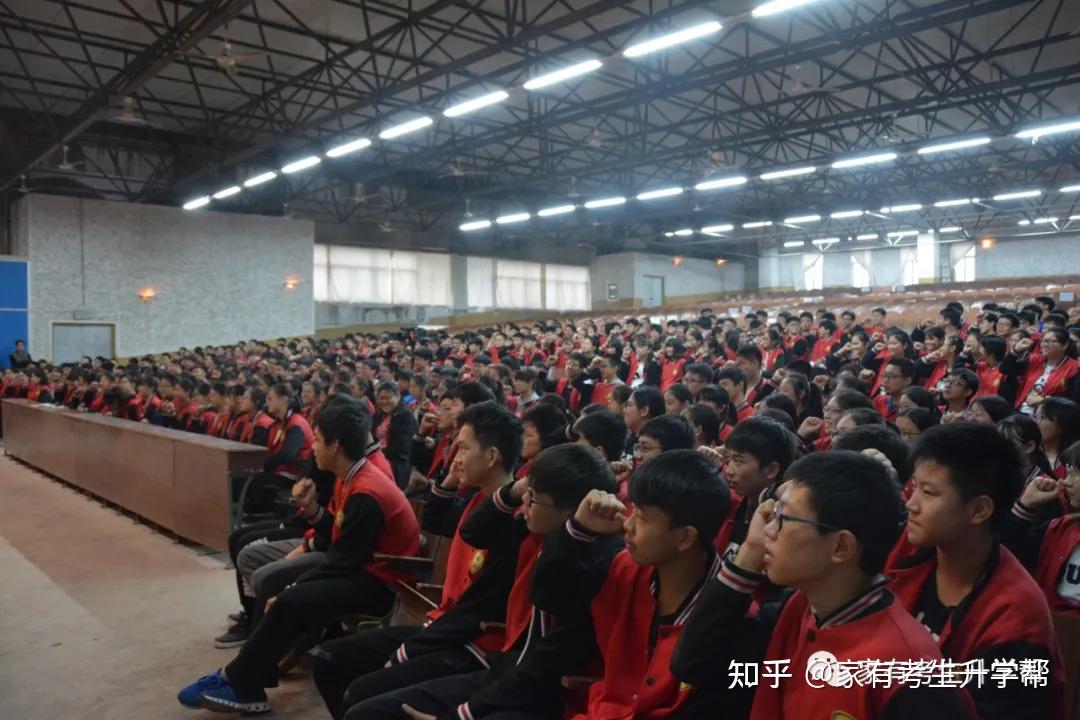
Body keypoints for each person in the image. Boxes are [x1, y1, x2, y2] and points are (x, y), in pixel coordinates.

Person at [674, 451, 975, 719]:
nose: (767, 530)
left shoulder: (908, 672)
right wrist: (750, 554)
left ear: (841, 547)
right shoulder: (800, 609)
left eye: (782, 518)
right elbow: (694, 664)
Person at [177, 394, 421, 714]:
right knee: (286, 592)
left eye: (317, 439)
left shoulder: (368, 490)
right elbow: (339, 538)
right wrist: (313, 510)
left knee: (289, 597)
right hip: (361, 570)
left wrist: (295, 587)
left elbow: (342, 560)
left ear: (335, 445)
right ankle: (245, 679)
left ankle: (242, 683)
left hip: (382, 584)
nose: (313, 447)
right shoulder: (350, 477)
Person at [342, 443, 621, 720]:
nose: (456, 458)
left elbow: (544, 633)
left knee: (369, 708)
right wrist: (517, 490)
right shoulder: (537, 533)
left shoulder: (589, 562)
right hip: (504, 666)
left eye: (533, 497)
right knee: (359, 693)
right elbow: (474, 531)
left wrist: (462, 714)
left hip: (540, 688)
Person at [312, 401, 524, 720]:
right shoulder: (477, 501)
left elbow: (475, 610)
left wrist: (409, 650)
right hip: (445, 626)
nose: (456, 458)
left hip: (474, 644)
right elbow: (437, 520)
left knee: (362, 695)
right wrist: (449, 482)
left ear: (492, 456)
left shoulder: (514, 523)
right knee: (328, 659)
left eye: (464, 449)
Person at [531, 450, 732, 719]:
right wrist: (579, 530)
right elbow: (548, 597)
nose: (628, 524)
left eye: (643, 517)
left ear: (685, 538)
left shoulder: (728, 615)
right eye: (632, 510)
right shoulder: (625, 568)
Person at [888, 423, 1066, 719]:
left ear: (979, 510)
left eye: (928, 493)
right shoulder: (907, 549)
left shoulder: (1016, 618)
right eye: (914, 487)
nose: (912, 504)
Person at [715, 416, 797, 560]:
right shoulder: (733, 505)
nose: (729, 470)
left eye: (738, 461)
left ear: (771, 470)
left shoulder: (778, 531)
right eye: (729, 460)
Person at [372, 380, 418, 489]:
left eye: (388, 398)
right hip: (378, 460)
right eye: (381, 398)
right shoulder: (379, 414)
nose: (384, 401)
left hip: (396, 466)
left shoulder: (406, 417)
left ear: (397, 397)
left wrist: (378, 452)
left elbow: (403, 448)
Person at [1036, 398, 1080, 477]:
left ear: (1062, 424)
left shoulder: (1075, 458)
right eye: (1035, 416)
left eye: (1042, 417)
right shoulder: (1029, 454)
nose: (1035, 422)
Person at [873, 357, 914, 423]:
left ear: (907, 381)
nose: (886, 380)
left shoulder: (911, 407)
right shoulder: (879, 400)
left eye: (892, 376)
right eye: (885, 375)